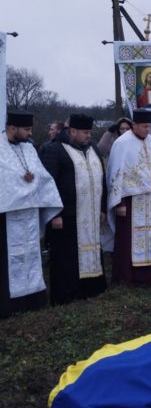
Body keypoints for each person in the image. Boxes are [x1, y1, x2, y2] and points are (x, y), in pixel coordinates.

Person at [40, 113, 108, 305]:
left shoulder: (93, 148)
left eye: (90, 132)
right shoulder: (55, 150)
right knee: (66, 257)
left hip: (90, 213)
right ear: (72, 131)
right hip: (66, 216)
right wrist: (55, 213)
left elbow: (102, 180)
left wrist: (102, 207)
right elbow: (49, 184)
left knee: (92, 250)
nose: (89, 136)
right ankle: (67, 294)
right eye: (85, 132)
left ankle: (92, 288)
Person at [0, 110, 62, 318]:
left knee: (31, 255)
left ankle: (33, 301)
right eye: (26, 129)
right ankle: (8, 305)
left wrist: (48, 202)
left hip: (30, 214)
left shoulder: (29, 148)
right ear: (12, 128)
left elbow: (42, 176)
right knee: (8, 259)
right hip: (7, 217)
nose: (30, 133)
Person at [106, 109, 151, 285]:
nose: (147, 130)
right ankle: (128, 276)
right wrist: (119, 202)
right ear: (134, 125)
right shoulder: (122, 143)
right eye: (144, 126)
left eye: (149, 126)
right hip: (130, 201)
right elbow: (115, 173)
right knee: (128, 240)